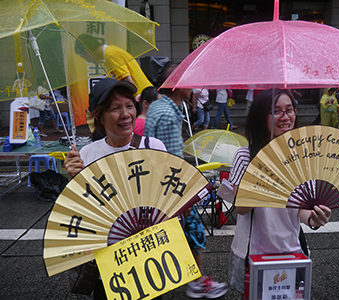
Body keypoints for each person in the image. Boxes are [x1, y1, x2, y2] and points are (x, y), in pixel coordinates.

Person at [64, 78, 166, 299]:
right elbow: (79, 212)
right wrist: (73, 180)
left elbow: (167, 201)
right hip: (107, 261)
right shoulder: (86, 155)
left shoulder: (153, 147)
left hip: (149, 258)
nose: (126, 114)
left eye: (129, 106)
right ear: (99, 116)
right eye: (115, 109)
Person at [228, 89, 331, 296]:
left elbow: (301, 209)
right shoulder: (245, 156)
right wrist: (268, 173)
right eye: (276, 111)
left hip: (291, 250)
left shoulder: (304, 158)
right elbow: (240, 207)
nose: (285, 117)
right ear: (260, 117)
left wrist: (314, 218)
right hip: (253, 252)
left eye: (289, 110)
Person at [145, 63, 228, 299]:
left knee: (181, 234)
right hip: (172, 187)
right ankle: (197, 282)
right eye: (189, 80)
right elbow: (167, 157)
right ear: (177, 83)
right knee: (193, 231)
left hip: (163, 186)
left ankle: (193, 279)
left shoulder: (159, 107)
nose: (194, 86)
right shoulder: (168, 113)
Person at [75, 34, 152, 96]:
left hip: (141, 97)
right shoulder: (108, 55)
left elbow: (126, 81)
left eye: (83, 57)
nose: (86, 60)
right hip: (142, 96)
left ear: (87, 52)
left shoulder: (110, 55)